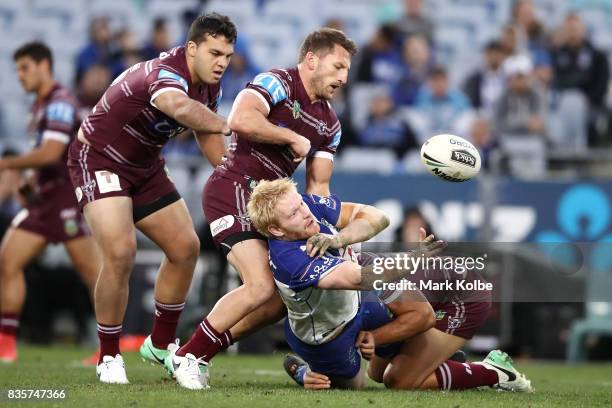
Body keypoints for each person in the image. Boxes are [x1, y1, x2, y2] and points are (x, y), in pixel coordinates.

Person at [164, 28, 357, 390]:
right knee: (260, 285)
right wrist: (290, 136)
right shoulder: (277, 81)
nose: (343, 77)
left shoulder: (330, 124)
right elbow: (239, 121)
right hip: (233, 189)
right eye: (337, 66)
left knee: (277, 300)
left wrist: (329, 235)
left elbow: (319, 189)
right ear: (312, 59)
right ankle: (192, 356)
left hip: (274, 212)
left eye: (347, 70)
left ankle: (190, 351)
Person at [66, 13, 236, 384]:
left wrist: (232, 171)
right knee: (122, 251)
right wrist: (231, 123)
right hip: (98, 159)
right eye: (215, 53)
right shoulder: (165, 73)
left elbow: (204, 131)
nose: (222, 62)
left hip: (144, 166)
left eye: (227, 55)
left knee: (185, 247)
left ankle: (160, 345)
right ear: (191, 49)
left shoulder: (209, 85)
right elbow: (179, 108)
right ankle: (108, 356)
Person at [246, 178, 533, 392]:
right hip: (401, 287)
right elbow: (359, 277)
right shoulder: (297, 259)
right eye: (294, 212)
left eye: (300, 203)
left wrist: (340, 239)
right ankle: (434, 357)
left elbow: (422, 316)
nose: (306, 212)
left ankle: (493, 371)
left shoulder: (366, 266)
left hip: (463, 294)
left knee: (399, 381)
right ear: (275, 229)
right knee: (374, 374)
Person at [0, 42, 101, 363]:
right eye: (17, 69)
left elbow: (51, 153)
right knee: (8, 262)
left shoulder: (59, 102)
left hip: (65, 197)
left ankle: (112, 343)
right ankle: (6, 344)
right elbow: (46, 158)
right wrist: (30, 180)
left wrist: (7, 165)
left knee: (93, 273)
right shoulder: (39, 105)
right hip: (45, 198)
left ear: (45, 65)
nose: (20, 76)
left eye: (25, 67)